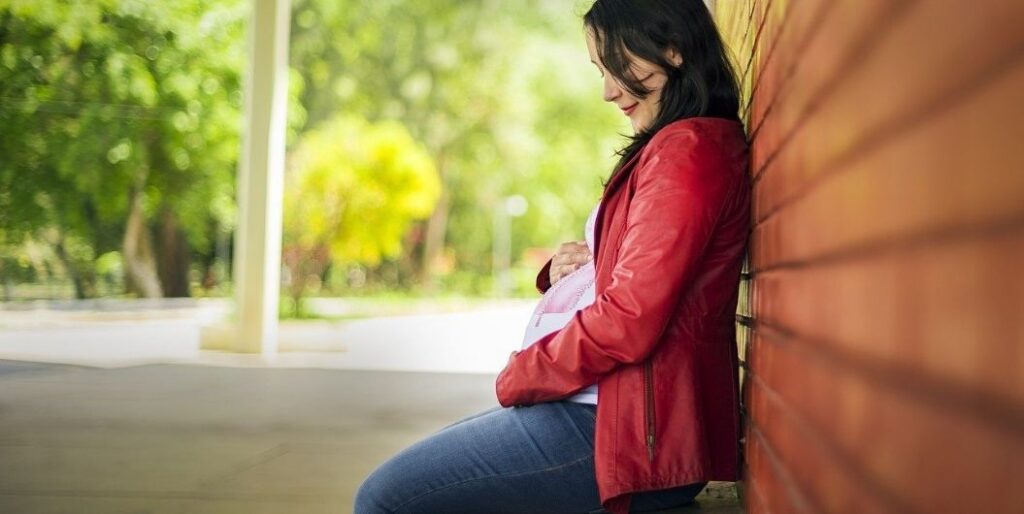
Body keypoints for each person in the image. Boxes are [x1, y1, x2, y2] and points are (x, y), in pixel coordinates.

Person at [355, 0, 750, 512]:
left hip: (623, 433)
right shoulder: (679, 146)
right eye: (601, 70)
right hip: (607, 411)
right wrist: (591, 259)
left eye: (619, 65)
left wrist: (522, 373)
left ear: (672, 47)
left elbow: (630, 317)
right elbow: (650, 273)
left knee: (387, 498)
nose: (609, 90)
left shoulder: (688, 151)